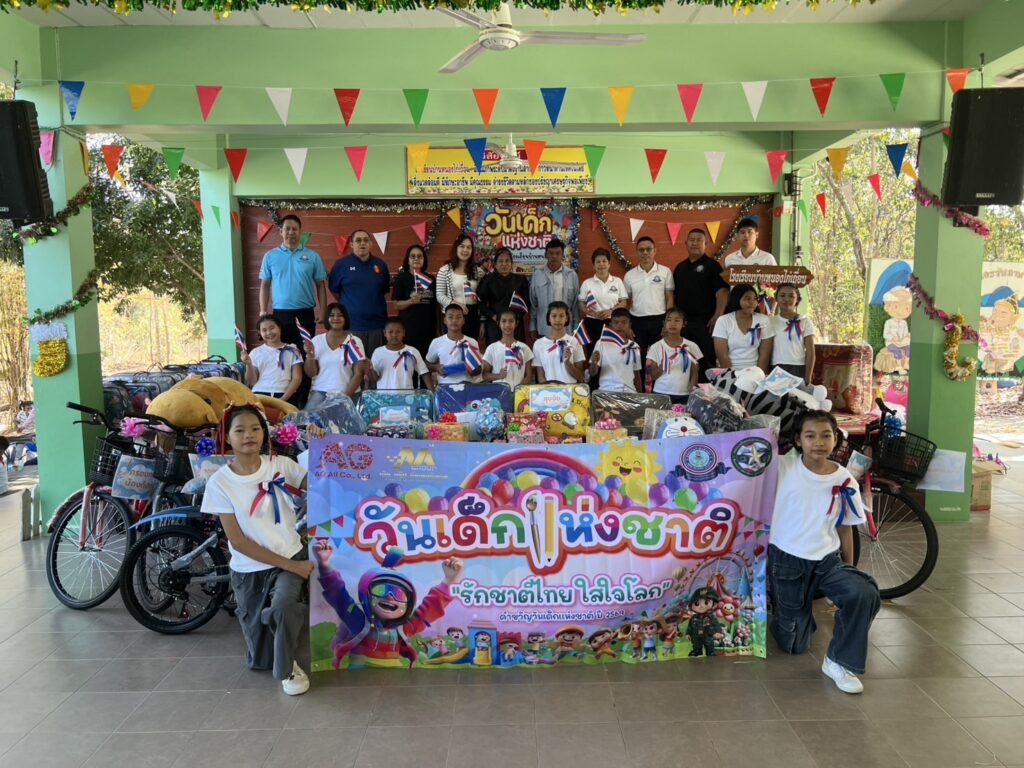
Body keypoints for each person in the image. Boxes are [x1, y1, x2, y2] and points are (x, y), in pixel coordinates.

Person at [200, 404, 312, 696]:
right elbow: (237, 542)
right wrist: (295, 567)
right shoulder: (220, 483)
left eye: (255, 428)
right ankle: (272, 622)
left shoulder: (281, 465)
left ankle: (287, 668)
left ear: (264, 433)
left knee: (284, 605)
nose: (248, 435)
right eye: (240, 430)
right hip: (249, 570)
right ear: (227, 437)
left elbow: (322, 481)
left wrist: (322, 444)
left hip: (290, 554)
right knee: (260, 658)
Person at [770, 409, 881, 694]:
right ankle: (792, 616)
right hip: (787, 560)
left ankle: (839, 662)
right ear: (798, 440)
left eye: (826, 436)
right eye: (810, 436)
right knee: (794, 643)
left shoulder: (844, 479)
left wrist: (850, 569)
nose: (818, 442)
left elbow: (845, 528)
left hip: (827, 561)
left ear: (836, 440)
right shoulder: (783, 467)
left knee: (863, 592)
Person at [258, 215, 328, 349]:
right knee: (282, 353)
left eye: (295, 229)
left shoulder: (313, 256)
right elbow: (265, 285)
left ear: (300, 232)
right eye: (287, 229)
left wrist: (323, 311)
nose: (291, 232)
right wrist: (263, 310)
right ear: (281, 231)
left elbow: (320, 285)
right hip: (280, 314)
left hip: (306, 314)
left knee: (307, 353)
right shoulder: (270, 256)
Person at [673, 228, 728, 382]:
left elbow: (722, 292)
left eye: (699, 240)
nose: (695, 243)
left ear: (705, 244)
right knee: (683, 362)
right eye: (692, 240)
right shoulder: (680, 268)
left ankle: (706, 392)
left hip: (705, 324)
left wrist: (718, 316)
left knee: (705, 362)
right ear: (686, 243)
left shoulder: (713, 266)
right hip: (684, 325)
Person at [328, 229, 391, 358]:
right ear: (351, 244)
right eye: (358, 240)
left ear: (371, 244)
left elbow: (383, 290)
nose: (362, 243)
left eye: (366, 240)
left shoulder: (381, 265)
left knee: (375, 365)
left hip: (377, 326)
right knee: (352, 365)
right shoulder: (341, 265)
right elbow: (335, 291)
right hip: (351, 326)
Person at [303, 302, 368, 409]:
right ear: (326, 318)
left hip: (348, 393)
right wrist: (310, 355)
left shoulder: (355, 341)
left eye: (340, 315)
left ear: (345, 318)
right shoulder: (317, 341)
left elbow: (358, 374)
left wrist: (343, 399)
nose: (336, 318)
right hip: (321, 391)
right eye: (332, 315)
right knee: (307, 419)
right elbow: (311, 373)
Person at [623, 236, 675, 369]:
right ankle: (639, 383)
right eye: (641, 250)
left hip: (659, 320)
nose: (645, 253)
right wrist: (628, 325)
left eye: (648, 249)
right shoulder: (629, 275)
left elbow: (669, 297)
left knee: (661, 356)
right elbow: (625, 302)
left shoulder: (665, 271)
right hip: (637, 321)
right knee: (637, 358)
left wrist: (667, 322)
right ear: (637, 252)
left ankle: (659, 382)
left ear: (654, 251)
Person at [578, 247, 628, 357]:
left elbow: (623, 302)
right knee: (593, 354)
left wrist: (611, 311)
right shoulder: (587, 283)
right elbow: (581, 303)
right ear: (593, 265)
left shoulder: (617, 281)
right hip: (592, 323)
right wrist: (592, 313)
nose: (601, 264)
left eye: (604, 261)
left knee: (612, 353)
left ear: (609, 264)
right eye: (598, 262)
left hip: (612, 323)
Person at [435, 235, 486, 343]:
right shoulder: (444, 270)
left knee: (470, 348)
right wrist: (455, 304)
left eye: (469, 247)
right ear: (456, 248)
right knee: (453, 348)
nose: (465, 250)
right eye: (462, 246)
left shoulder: (479, 272)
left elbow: (483, 299)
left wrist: (482, 322)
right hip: (452, 315)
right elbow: (439, 295)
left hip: (472, 316)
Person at [241, 314, 303, 403]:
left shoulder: (293, 350)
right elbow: (252, 381)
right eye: (264, 330)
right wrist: (248, 364)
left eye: (272, 328)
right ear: (260, 332)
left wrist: (283, 399)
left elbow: (297, 378)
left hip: (285, 395)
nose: (269, 332)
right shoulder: (256, 352)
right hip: (259, 394)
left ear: (279, 327)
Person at [390, 244, 437, 360]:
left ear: (424, 259)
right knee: (410, 362)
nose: (416, 259)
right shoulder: (401, 278)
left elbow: (435, 305)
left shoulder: (430, 279)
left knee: (427, 362)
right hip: (409, 330)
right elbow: (396, 305)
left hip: (428, 329)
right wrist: (411, 301)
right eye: (413, 256)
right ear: (408, 260)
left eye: (419, 256)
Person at [713, 284, 773, 373]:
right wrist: (732, 376)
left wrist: (759, 376)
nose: (752, 302)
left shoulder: (763, 320)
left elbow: (764, 355)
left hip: (755, 372)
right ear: (736, 299)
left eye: (755, 299)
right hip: (731, 373)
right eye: (747, 298)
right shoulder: (723, 321)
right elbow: (722, 356)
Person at [477, 247, 530, 346]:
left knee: (517, 352)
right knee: (495, 352)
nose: (504, 264)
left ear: (512, 263)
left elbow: (527, 303)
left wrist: (517, 317)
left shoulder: (521, 280)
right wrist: (492, 315)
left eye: (507, 261)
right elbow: (479, 302)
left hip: (516, 325)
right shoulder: (487, 280)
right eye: (500, 261)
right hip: (495, 324)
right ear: (495, 264)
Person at [647, 308, 701, 404]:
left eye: (677, 320)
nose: (673, 323)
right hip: (661, 393)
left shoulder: (691, 346)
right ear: (664, 323)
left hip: (684, 394)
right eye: (669, 320)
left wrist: (692, 393)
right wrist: (663, 365)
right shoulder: (656, 347)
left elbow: (694, 373)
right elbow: (653, 376)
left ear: (684, 324)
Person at [530, 238, 580, 340]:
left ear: (562, 256)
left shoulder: (572, 275)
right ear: (545, 255)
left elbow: (575, 305)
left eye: (558, 253)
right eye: (551, 253)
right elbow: (533, 304)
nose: (554, 256)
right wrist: (532, 326)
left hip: (566, 328)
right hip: (544, 328)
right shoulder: (537, 275)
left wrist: (576, 327)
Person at [426, 304, 483, 386]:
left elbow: (478, 370)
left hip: (468, 385)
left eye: (459, 317)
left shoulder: (472, 342)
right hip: (445, 385)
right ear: (445, 320)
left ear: (463, 321)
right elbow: (427, 364)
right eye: (450, 317)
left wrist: (472, 370)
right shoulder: (436, 342)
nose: (454, 320)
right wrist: (436, 368)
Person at [370, 318, 432, 391]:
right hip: (384, 395)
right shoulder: (378, 352)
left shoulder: (412, 351)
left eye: (398, 332)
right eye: (390, 332)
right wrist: (370, 369)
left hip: (407, 395)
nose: (394, 335)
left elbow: (424, 372)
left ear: (404, 333)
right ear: (385, 333)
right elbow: (374, 379)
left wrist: (433, 392)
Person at [589, 308, 643, 393]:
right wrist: (594, 363)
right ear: (610, 325)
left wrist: (640, 396)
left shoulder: (634, 346)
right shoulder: (601, 343)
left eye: (624, 322)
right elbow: (592, 373)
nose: (620, 325)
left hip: (629, 392)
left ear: (630, 325)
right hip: (607, 391)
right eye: (616, 322)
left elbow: (637, 374)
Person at [771, 283, 816, 383]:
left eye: (791, 296)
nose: (786, 299)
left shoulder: (805, 321)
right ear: (776, 298)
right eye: (782, 295)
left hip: (798, 368)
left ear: (797, 299)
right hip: (776, 368)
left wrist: (808, 378)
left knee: (797, 393)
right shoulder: (771, 322)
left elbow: (811, 352)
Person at [532, 301, 586, 384]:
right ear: (548, 318)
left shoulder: (574, 341)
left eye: (561, 316)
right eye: (554, 316)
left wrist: (567, 363)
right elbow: (540, 377)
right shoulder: (538, 344)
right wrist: (551, 389)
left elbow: (580, 377)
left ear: (566, 318)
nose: (557, 320)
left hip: (570, 389)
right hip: (549, 390)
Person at [482, 310, 534, 388]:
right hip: (499, 392)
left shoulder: (524, 347)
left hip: (519, 392)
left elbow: (529, 376)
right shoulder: (492, 348)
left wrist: (518, 390)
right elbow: (485, 375)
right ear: (498, 323)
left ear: (516, 323)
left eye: (511, 321)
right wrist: (498, 376)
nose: (507, 325)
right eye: (504, 321)